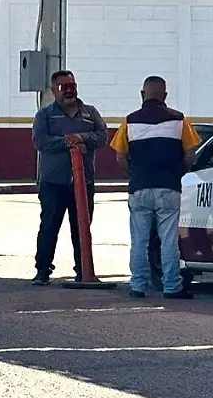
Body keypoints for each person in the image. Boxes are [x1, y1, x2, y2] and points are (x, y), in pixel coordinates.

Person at [109, 75, 202, 299]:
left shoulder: (129, 121)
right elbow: (191, 154)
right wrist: (177, 171)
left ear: (142, 95)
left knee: (139, 241)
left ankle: (138, 286)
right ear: (165, 96)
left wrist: (135, 174)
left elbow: (120, 157)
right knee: (168, 241)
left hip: (139, 187)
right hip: (169, 187)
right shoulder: (179, 120)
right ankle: (172, 286)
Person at [31, 70, 109, 285]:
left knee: (82, 228)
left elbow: (103, 136)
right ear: (53, 90)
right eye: (63, 87)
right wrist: (67, 141)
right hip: (53, 183)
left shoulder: (90, 113)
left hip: (84, 183)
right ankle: (42, 271)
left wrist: (82, 137)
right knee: (49, 227)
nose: (69, 91)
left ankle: (83, 271)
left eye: (72, 85)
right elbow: (40, 142)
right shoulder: (45, 115)